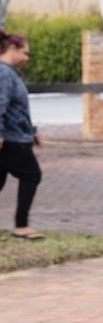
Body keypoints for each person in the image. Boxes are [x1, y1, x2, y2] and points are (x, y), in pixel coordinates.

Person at [0, 29, 43, 240]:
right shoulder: (3, 72)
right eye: (25, 53)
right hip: (11, 139)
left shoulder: (9, 72)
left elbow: (19, 109)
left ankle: (21, 224)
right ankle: (21, 225)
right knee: (31, 175)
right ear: (12, 49)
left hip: (16, 136)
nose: (27, 58)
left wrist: (33, 131)